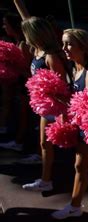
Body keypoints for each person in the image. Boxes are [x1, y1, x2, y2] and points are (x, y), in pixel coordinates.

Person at [50, 29, 88, 219]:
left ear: (82, 47)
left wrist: (64, 102)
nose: (64, 48)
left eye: (69, 44)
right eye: (64, 43)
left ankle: (75, 206)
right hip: (82, 126)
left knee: (80, 166)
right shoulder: (77, 69)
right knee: (82, 166)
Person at [17, 15, 68, 190]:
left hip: (54, 106)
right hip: (44, 105)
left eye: (26, 33)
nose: (24, 36)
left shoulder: (50, 57)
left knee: (54, 144)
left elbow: (62, 87)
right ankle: (46, 179)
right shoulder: (36, 51)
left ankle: (46, 181)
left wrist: (61, 113)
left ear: (34, 34)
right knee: (45, 144)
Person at [0, 12, 32, 150]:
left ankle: (20, 142)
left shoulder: (23, 44)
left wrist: (11, 67)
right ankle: (18, 139)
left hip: (25, 84)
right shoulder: (17, 41)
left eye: (6, 24)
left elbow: (27, 69)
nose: (4, 26)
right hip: (19, 83)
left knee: (25, 114)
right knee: (20, 113)